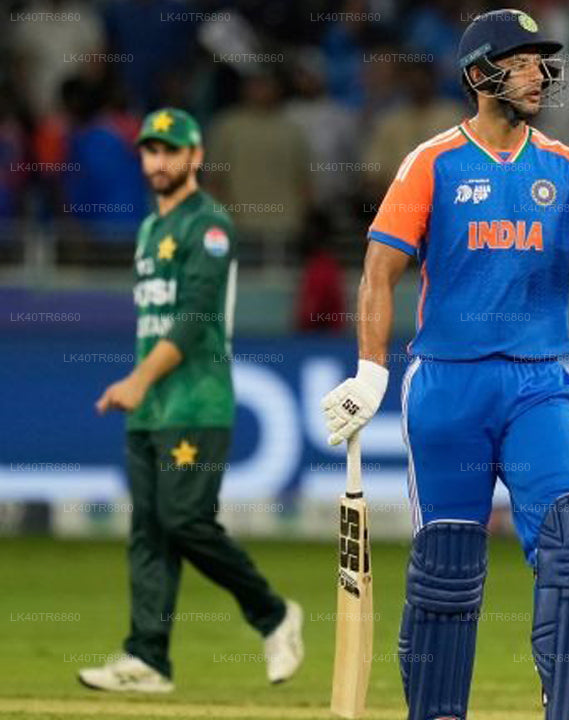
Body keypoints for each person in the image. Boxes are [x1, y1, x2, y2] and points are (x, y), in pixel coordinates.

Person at [319, 10, 569, 720]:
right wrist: (371, 373)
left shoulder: (566, 166)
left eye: (543, 61)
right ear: (481, 74)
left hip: (538, 385)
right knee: (447, 567)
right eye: (524, 60)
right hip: (447, 385)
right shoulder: (434, 161)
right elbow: (379, 270)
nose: (541, 74)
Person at [81, 108, 303, 693]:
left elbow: (194, 318)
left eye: (169, 151)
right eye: (150, 151)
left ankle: (275, 615)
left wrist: (137, 379)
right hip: (152, 407)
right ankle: (147, 657)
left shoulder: (209, 224)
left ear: (195, 156)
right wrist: (141, 387)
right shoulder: (150, 229)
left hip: (197, 403)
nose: (158, 162)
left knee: (184, 520)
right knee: (149, 531)